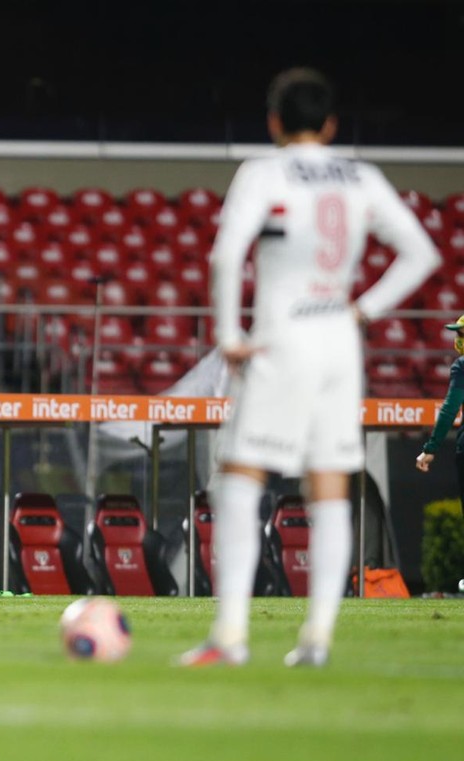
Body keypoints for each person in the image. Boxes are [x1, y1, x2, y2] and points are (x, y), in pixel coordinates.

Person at [179, 68, 440, 667]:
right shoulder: (361, 176)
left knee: (240, 480)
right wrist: (364, 310)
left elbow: (225, 257)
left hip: (281, 338)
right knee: (328, 489)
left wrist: (227, 334)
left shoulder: (263, 172)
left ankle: (231, 637)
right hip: (338, 345)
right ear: (330, 125)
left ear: (273, 122)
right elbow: (422, 252)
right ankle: (317, 639)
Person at [415, 315, 464, 514]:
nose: (458, 338)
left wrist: (431, 448)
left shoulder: (462, 365)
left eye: (461, 333)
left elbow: (450, 408)